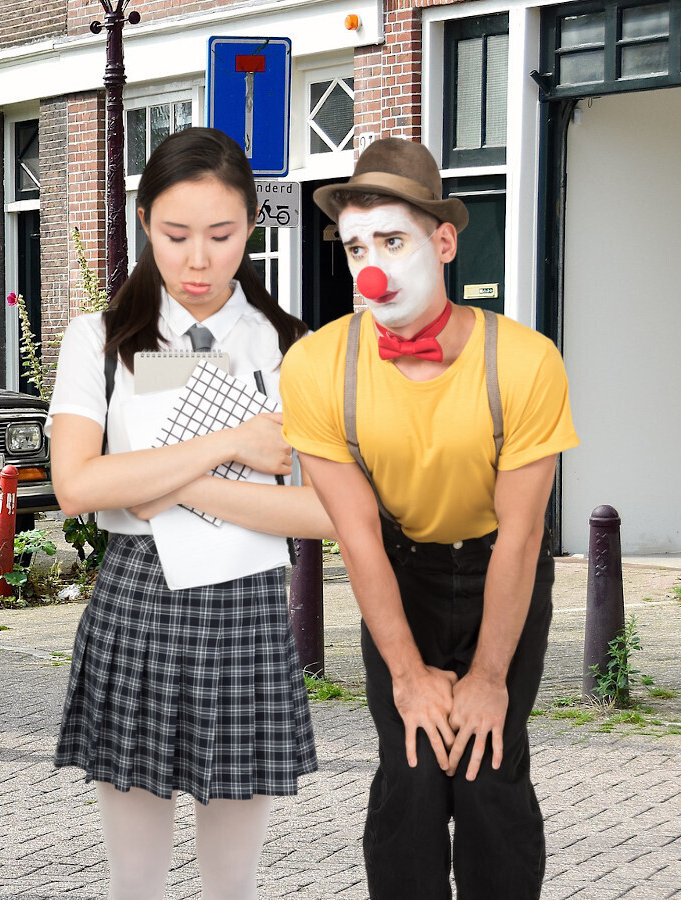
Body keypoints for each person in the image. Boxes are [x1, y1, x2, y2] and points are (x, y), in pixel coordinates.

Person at [282, 138, 579, 899]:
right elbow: (356, 538)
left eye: (391, 240)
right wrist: (409, 675)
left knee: (487, 765)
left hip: (499, 571)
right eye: (356, 247)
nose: (370, 267)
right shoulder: (318, 368)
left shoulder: (525, 361)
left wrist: (486, 677)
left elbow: (520, 535)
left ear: (443, 242)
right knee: (412, 768)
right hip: (400, 567)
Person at [48, 128, 334, 900]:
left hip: (246, 602)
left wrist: (154, 483)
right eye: (176, 236)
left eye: (222, 234)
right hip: (136, 598)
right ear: (145, 224)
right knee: (134, 883)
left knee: (232, 886)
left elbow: (324, 512)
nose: (198, 260)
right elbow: (75, 485)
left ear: (252, 225)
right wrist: (236, 442)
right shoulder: (100, 340)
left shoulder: (290, 348)